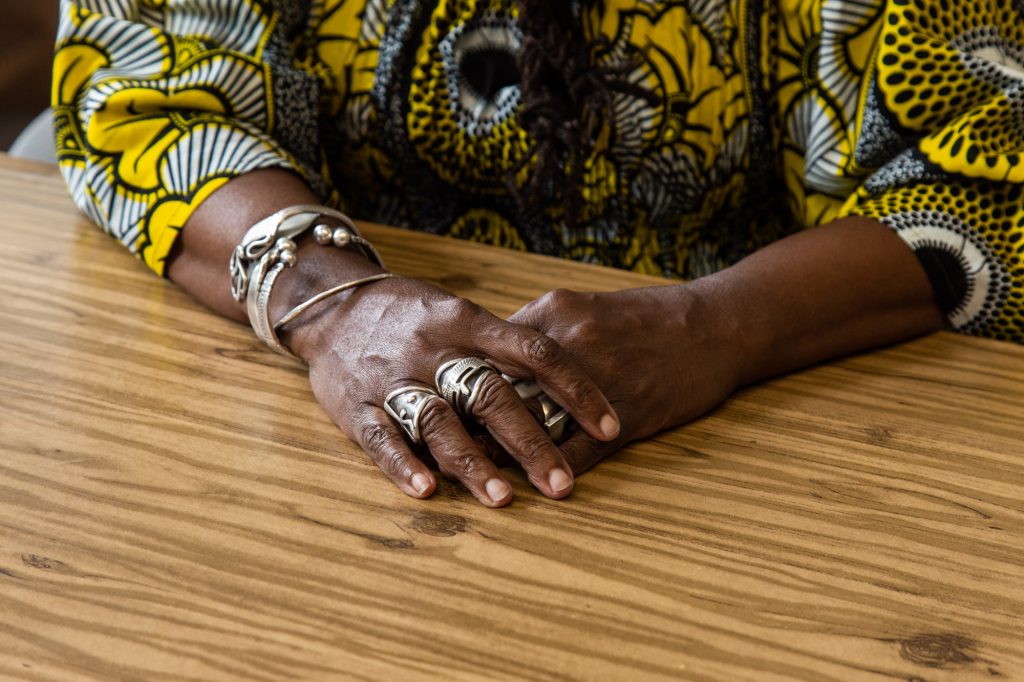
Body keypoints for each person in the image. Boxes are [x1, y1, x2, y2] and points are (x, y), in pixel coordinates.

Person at [53, 0, 1023, 507]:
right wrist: (335, 304)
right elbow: (140, 83)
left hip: (749, 450)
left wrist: (716, 323)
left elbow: (985, 173)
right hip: (316, 456)